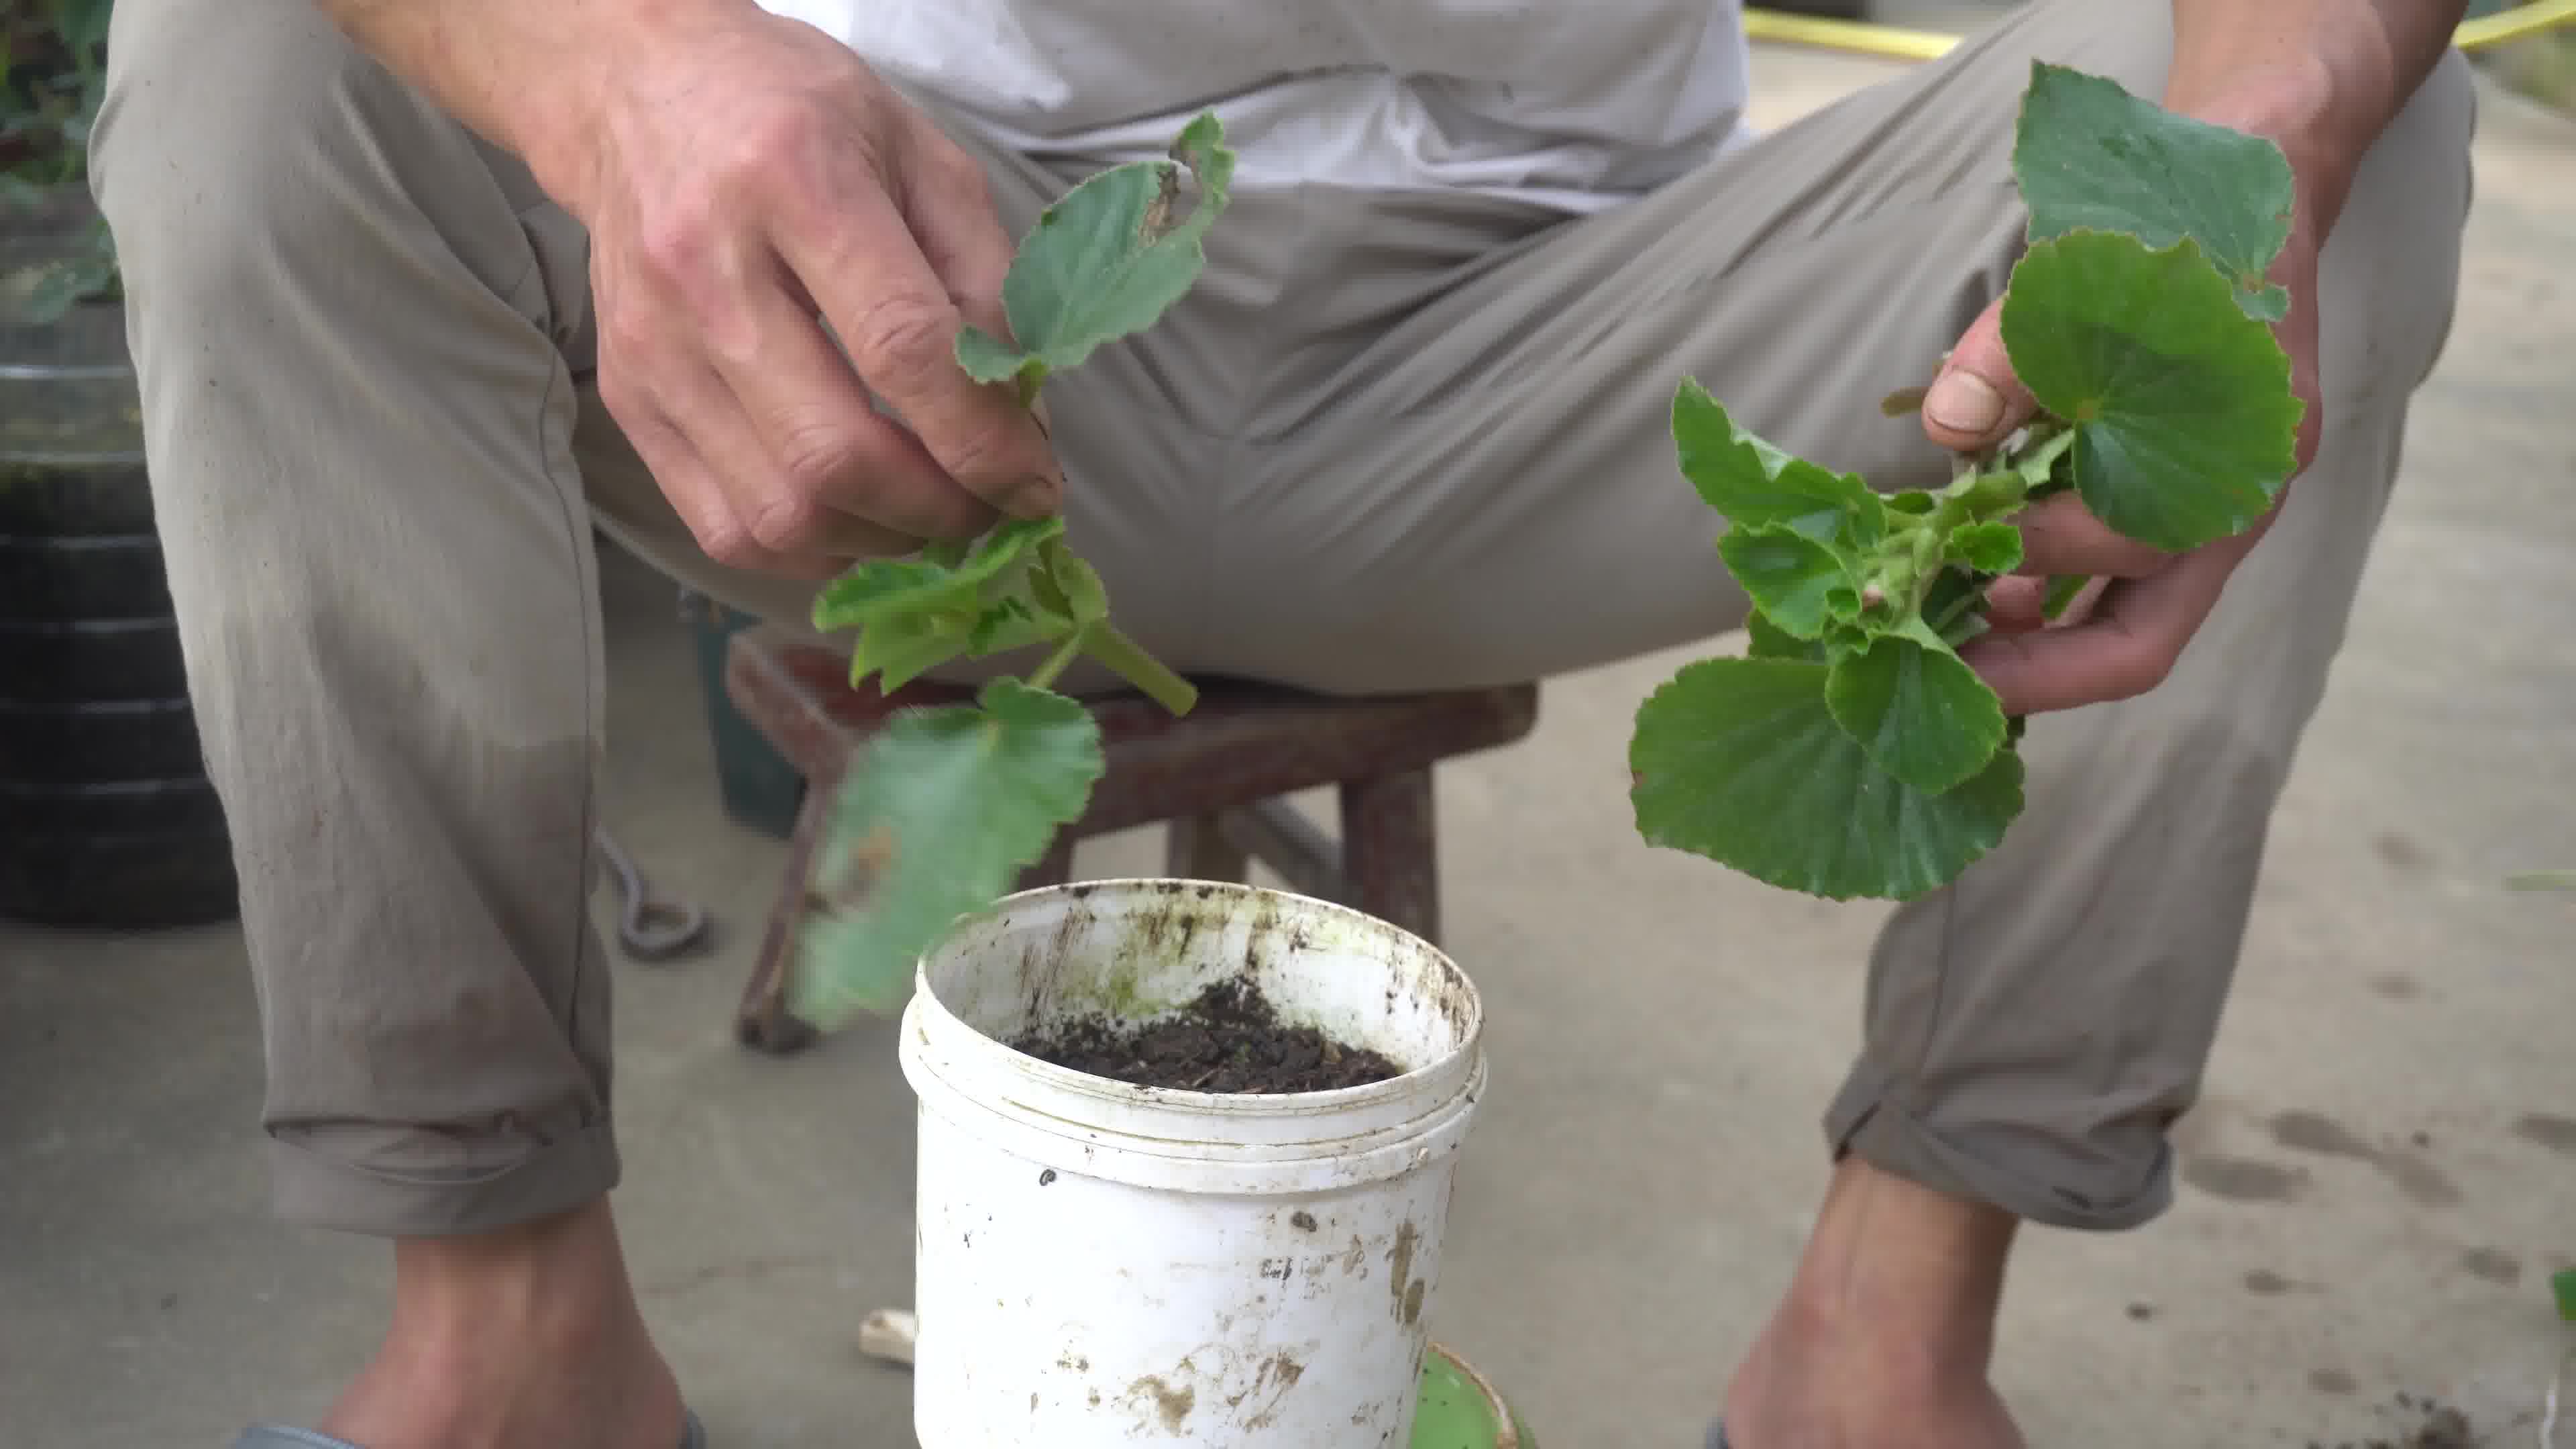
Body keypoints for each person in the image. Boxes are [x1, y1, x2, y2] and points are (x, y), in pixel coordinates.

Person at [89, 0, 2475, 1444]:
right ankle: (514, 1348)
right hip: (905, 296)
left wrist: (2277, 143)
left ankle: (1888, 1343)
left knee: (2283, 147)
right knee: (247, 51)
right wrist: (611, 71)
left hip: (1565, 329)